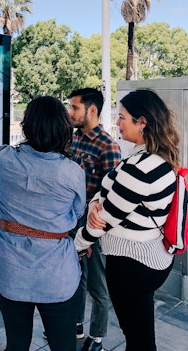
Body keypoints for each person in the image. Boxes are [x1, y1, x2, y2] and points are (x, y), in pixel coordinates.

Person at [0, 95, 86, 351]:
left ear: (27, 127)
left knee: (17, 341)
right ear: (63, 128)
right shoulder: (73, 173)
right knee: (63, 344)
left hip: (10, 270)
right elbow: (76, 214)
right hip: (57, 275)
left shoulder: (5, 158)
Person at [75, 89, 180, 351]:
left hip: (132, 264)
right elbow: (110, 190)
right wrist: (97, 201)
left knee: (137, 338)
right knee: (141, 331)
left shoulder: (139, 166)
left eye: (122, 117)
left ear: (142, 122)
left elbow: (105, 221)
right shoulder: (154, 157)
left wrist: (75, 245)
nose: (116, 123)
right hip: (150, 257)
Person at [68, 88, 121, 351]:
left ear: (91, 111)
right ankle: (76, 324)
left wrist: (92, 233)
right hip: (72, 220)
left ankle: (97, 336)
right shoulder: (74, 139)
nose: (71, 112)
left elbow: (112, 196)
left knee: (98, 284)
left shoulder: (107, 145)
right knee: (75, 277)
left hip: (95, 226)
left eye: (75, 107)